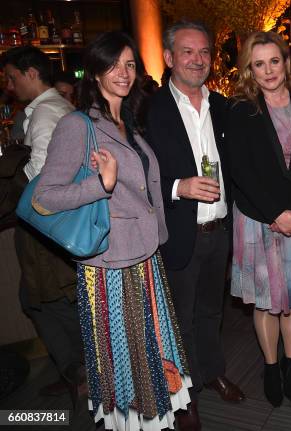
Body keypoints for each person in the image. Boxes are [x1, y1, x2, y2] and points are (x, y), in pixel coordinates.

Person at [32, 31, 191, 430]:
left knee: (152, 351)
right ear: (96, 72)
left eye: (130, 64)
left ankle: (156, 420)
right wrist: (98, 185)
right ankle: (136, 422)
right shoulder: (77, 125)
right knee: (127, 358)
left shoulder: (128, 122)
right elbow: (45, 197)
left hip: (145, 256)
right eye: (113, 64)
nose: (123, 72)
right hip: (110, 266)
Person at [146, 20, 245, 430]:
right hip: (179, 233)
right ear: (169, 58)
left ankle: (213, 371)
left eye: (204, 52)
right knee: (179, 319)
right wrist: (177, 187)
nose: (197, 60)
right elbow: (137, 176)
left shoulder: (223, 105)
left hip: (219, 230)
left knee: (211, 312)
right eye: (188, 52)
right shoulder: (150, 111)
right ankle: (184, 397)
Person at [226, 31, 291, 407]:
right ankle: (270, 364)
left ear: (286, 62)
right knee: (266, 301)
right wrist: (275, 213)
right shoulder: (241, 109)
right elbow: (240, 170)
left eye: (274, 61)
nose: (268, 70)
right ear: (249, 70)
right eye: (259, 64)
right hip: (258, 219)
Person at [1, 46, 82, 400]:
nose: (8, 85)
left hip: (45, 224)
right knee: (48, 298)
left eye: (12, 77)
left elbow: (44, 176)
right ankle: (78, 372)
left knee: (47, 299)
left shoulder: (47, 113)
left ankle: (81, 373)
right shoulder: (54, 108)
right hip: (51, 224)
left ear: (31, 73)